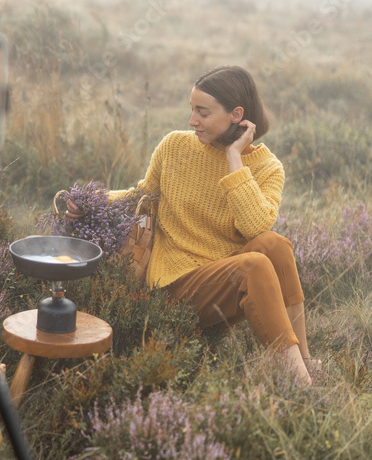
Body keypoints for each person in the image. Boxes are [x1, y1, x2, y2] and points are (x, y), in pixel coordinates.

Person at [76, 65, 316, 385]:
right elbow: (141, 195)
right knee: (254, 266)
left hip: (219, 275)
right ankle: (301, 382)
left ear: (236, 114)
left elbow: (254, 226)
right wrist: (90, 200)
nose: (192, 121)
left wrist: (234, 158)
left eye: (202, 112)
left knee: (274, 245)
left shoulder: (268, 168)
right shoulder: (175, 145)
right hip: (173, 282)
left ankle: (305, 360)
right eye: (192, 110)